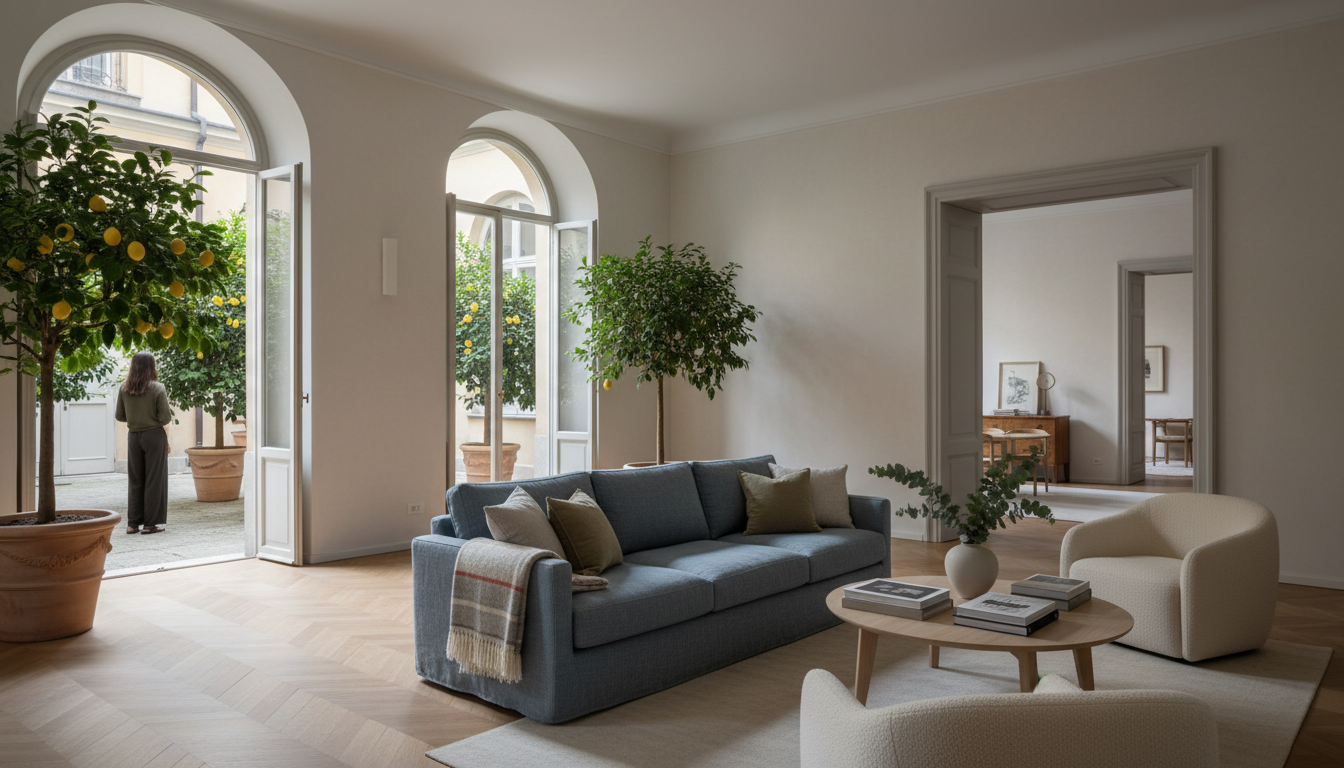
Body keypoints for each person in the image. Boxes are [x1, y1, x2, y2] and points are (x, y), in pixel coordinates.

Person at [115, 351, 173, 534]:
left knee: (135, 480)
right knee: (154, 480)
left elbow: (120, 416)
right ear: (151, 367)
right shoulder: (158, 388)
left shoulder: (124, 388)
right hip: (154, 436)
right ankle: (151, 524)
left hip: (133, 437)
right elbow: (165, 417)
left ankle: (132, 524)